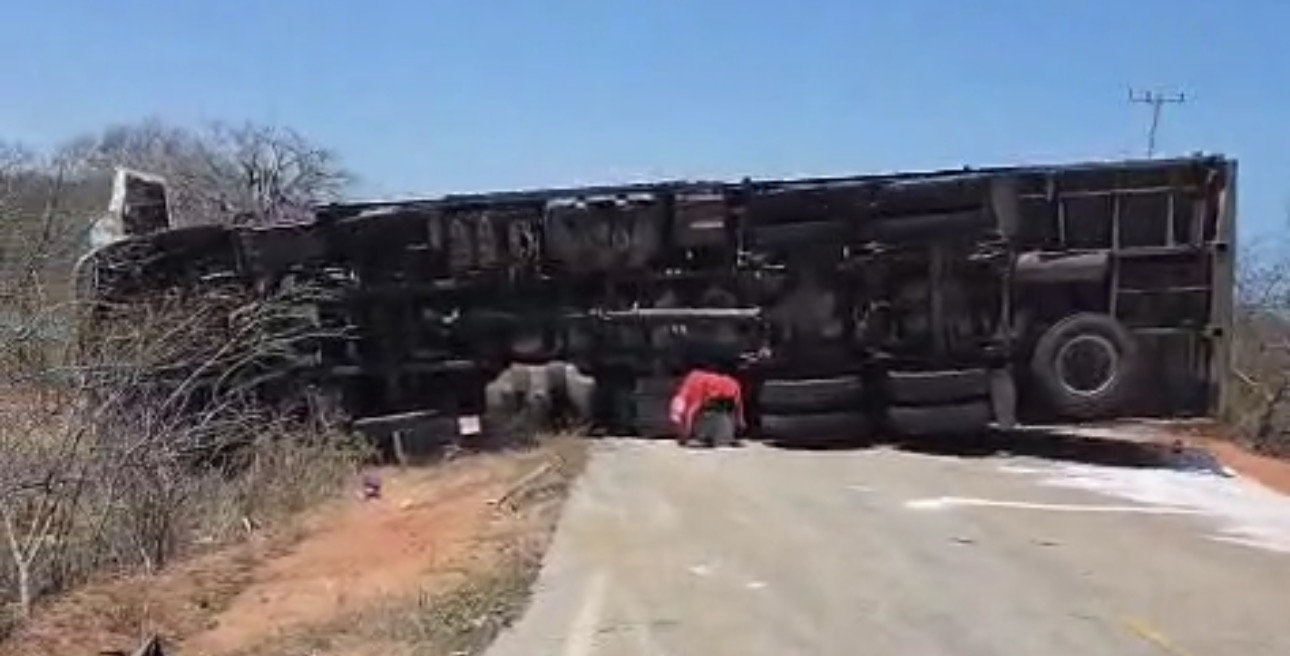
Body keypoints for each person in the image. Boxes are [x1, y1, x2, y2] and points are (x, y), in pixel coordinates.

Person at [669, 368, 746, 447]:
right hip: (728, 393)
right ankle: (720, 436)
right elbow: (738, 403)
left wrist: (685, 435)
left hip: (721, 396)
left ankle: (713, 435)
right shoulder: (695, 381)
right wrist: (740, 419)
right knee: (711, 413)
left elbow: (691, 412)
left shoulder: (696, 384)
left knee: (706, 413)